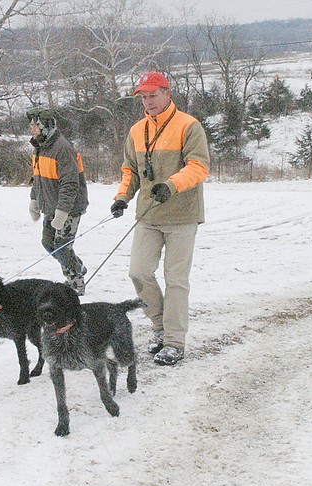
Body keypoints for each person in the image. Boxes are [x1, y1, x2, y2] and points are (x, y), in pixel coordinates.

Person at [110, 72, 210, 366]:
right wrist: (122, 198)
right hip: (148, 215)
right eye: (143, 96)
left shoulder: (188, 126)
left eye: (153, 95)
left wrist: (171, 184)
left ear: (167, 93)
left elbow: (200, 166)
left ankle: (175, 342)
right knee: (138, 272)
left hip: (182, 216)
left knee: (175, 280)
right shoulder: (137, 130)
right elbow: (130, 170)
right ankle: (159, 326)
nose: (148, 101)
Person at [27, 107, 89, 295]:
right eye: (31, 126)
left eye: (35, 126)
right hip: (50, 206)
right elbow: (38, 178)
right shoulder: (40, 148)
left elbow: (70, 184)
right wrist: (34, 200)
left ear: (47, 127)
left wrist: (63, 212)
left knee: (62, 248)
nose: (32, 129)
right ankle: (77, 266)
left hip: (69, 208)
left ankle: (75, 283)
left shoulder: (62, 148)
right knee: (48, 243)